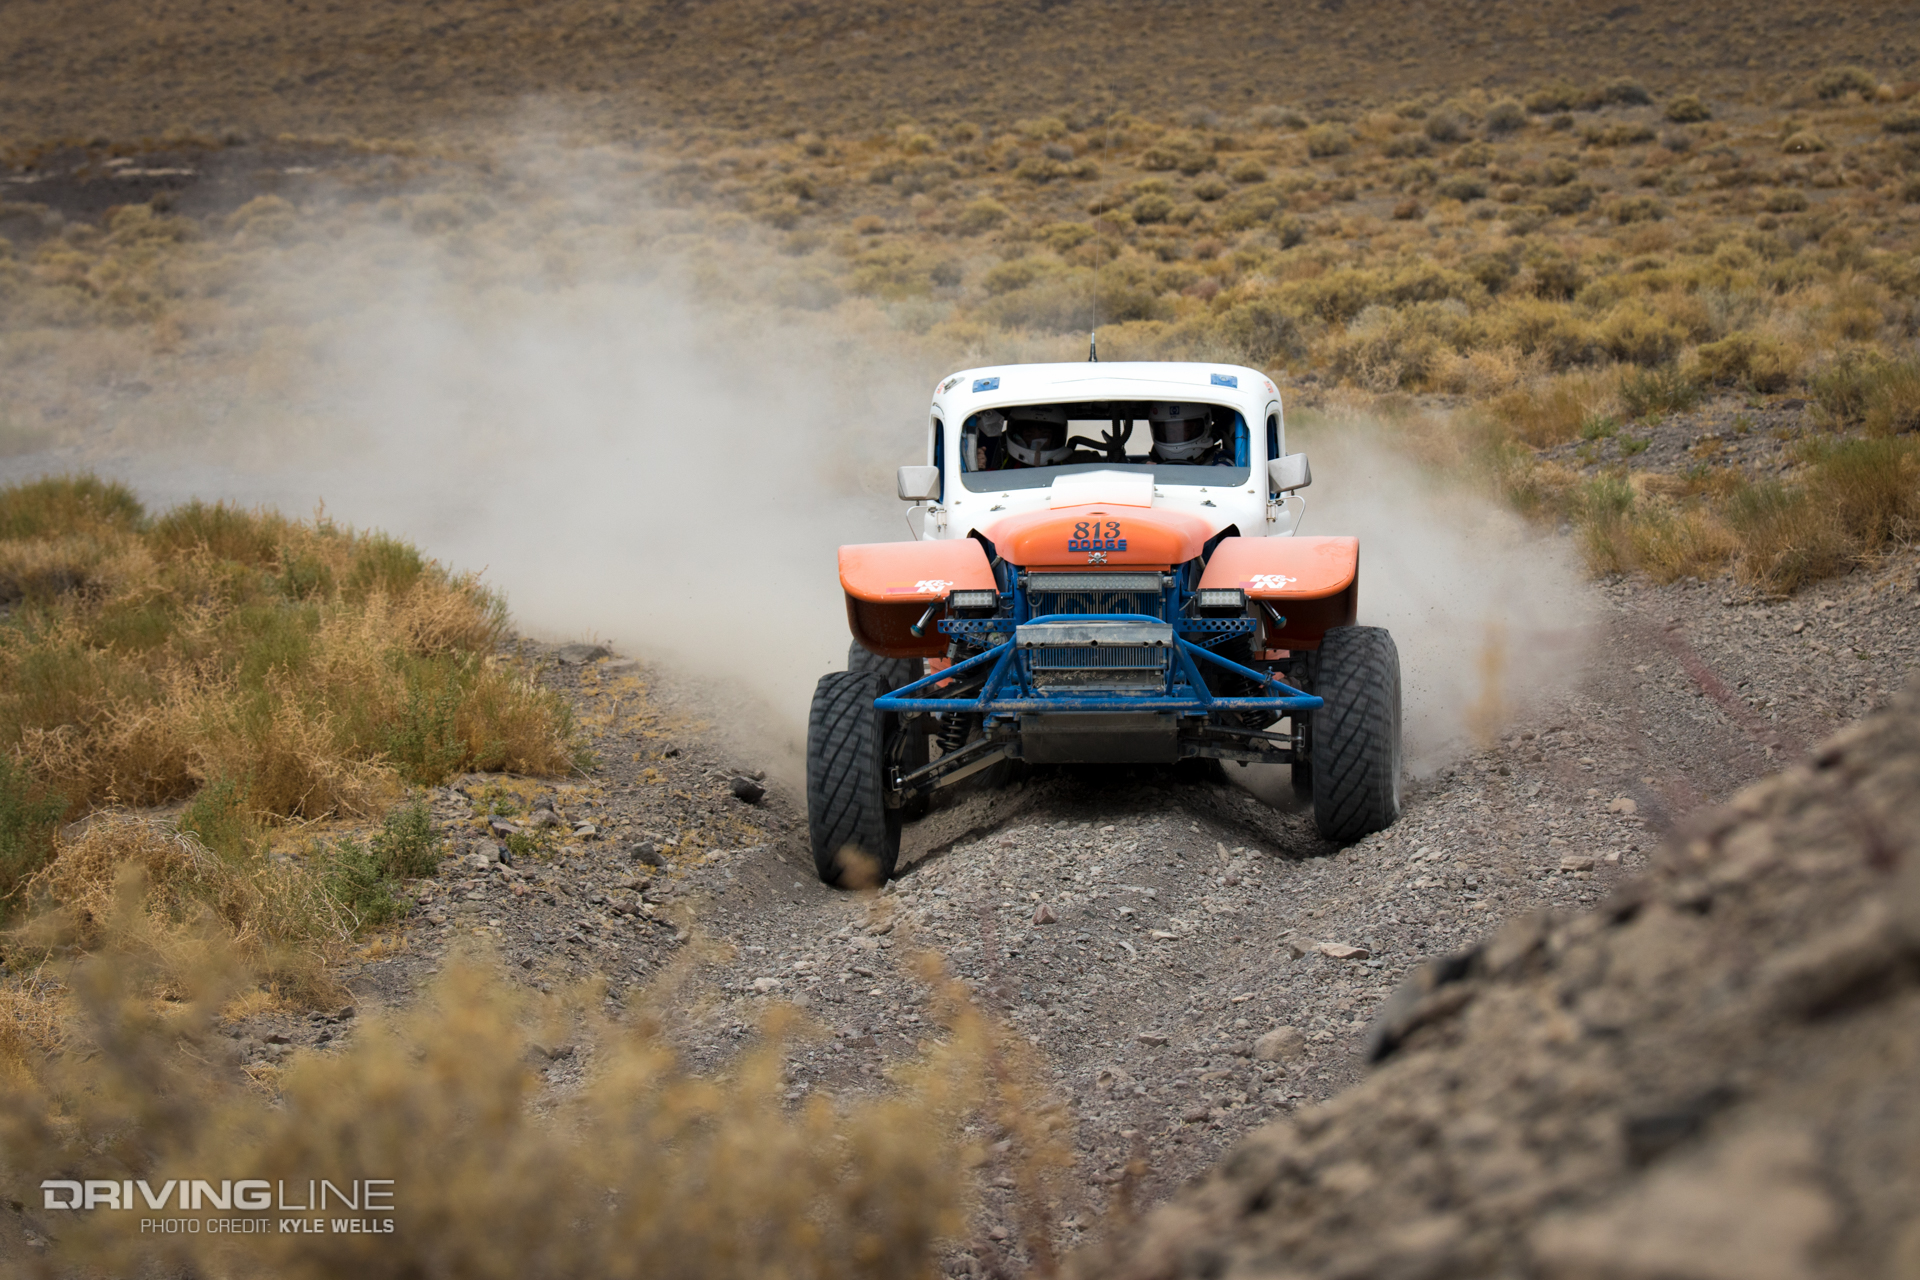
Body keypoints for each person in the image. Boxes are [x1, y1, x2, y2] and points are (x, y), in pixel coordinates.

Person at [1146, 402, 1221, 463]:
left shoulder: (1220, 465)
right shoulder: (1146, 468)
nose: (1177, 436)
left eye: (1186, 430)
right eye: (1170, 431)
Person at [1002, 406, 1073, 467]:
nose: (1037, 441)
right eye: (1029, 435)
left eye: (1045, 436)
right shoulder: (1003, 463)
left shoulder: (1067, 471)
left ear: (1055, 439)